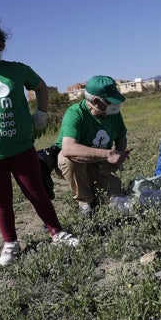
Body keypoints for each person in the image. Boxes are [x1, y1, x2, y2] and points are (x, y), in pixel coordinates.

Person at [0, 8, 79, 267]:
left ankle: (56, 232)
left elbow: (41, 87)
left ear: (1, 43)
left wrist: (41, 112)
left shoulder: (17, 70)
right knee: (1, 201)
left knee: (37, 193)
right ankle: (10, 242)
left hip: (21, 147)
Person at [55, 75, 128, 215]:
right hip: (76, 163)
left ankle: (92, 188)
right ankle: (85, 202)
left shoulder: (113, 113)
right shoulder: (75, 113)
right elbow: (68, 148)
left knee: (115, 190)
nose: (116, 106)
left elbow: (121, 136)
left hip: (97, 162)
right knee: (68, 159)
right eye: (110, 102)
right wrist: (108, 154)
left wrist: (116, 158)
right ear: (96, 101)